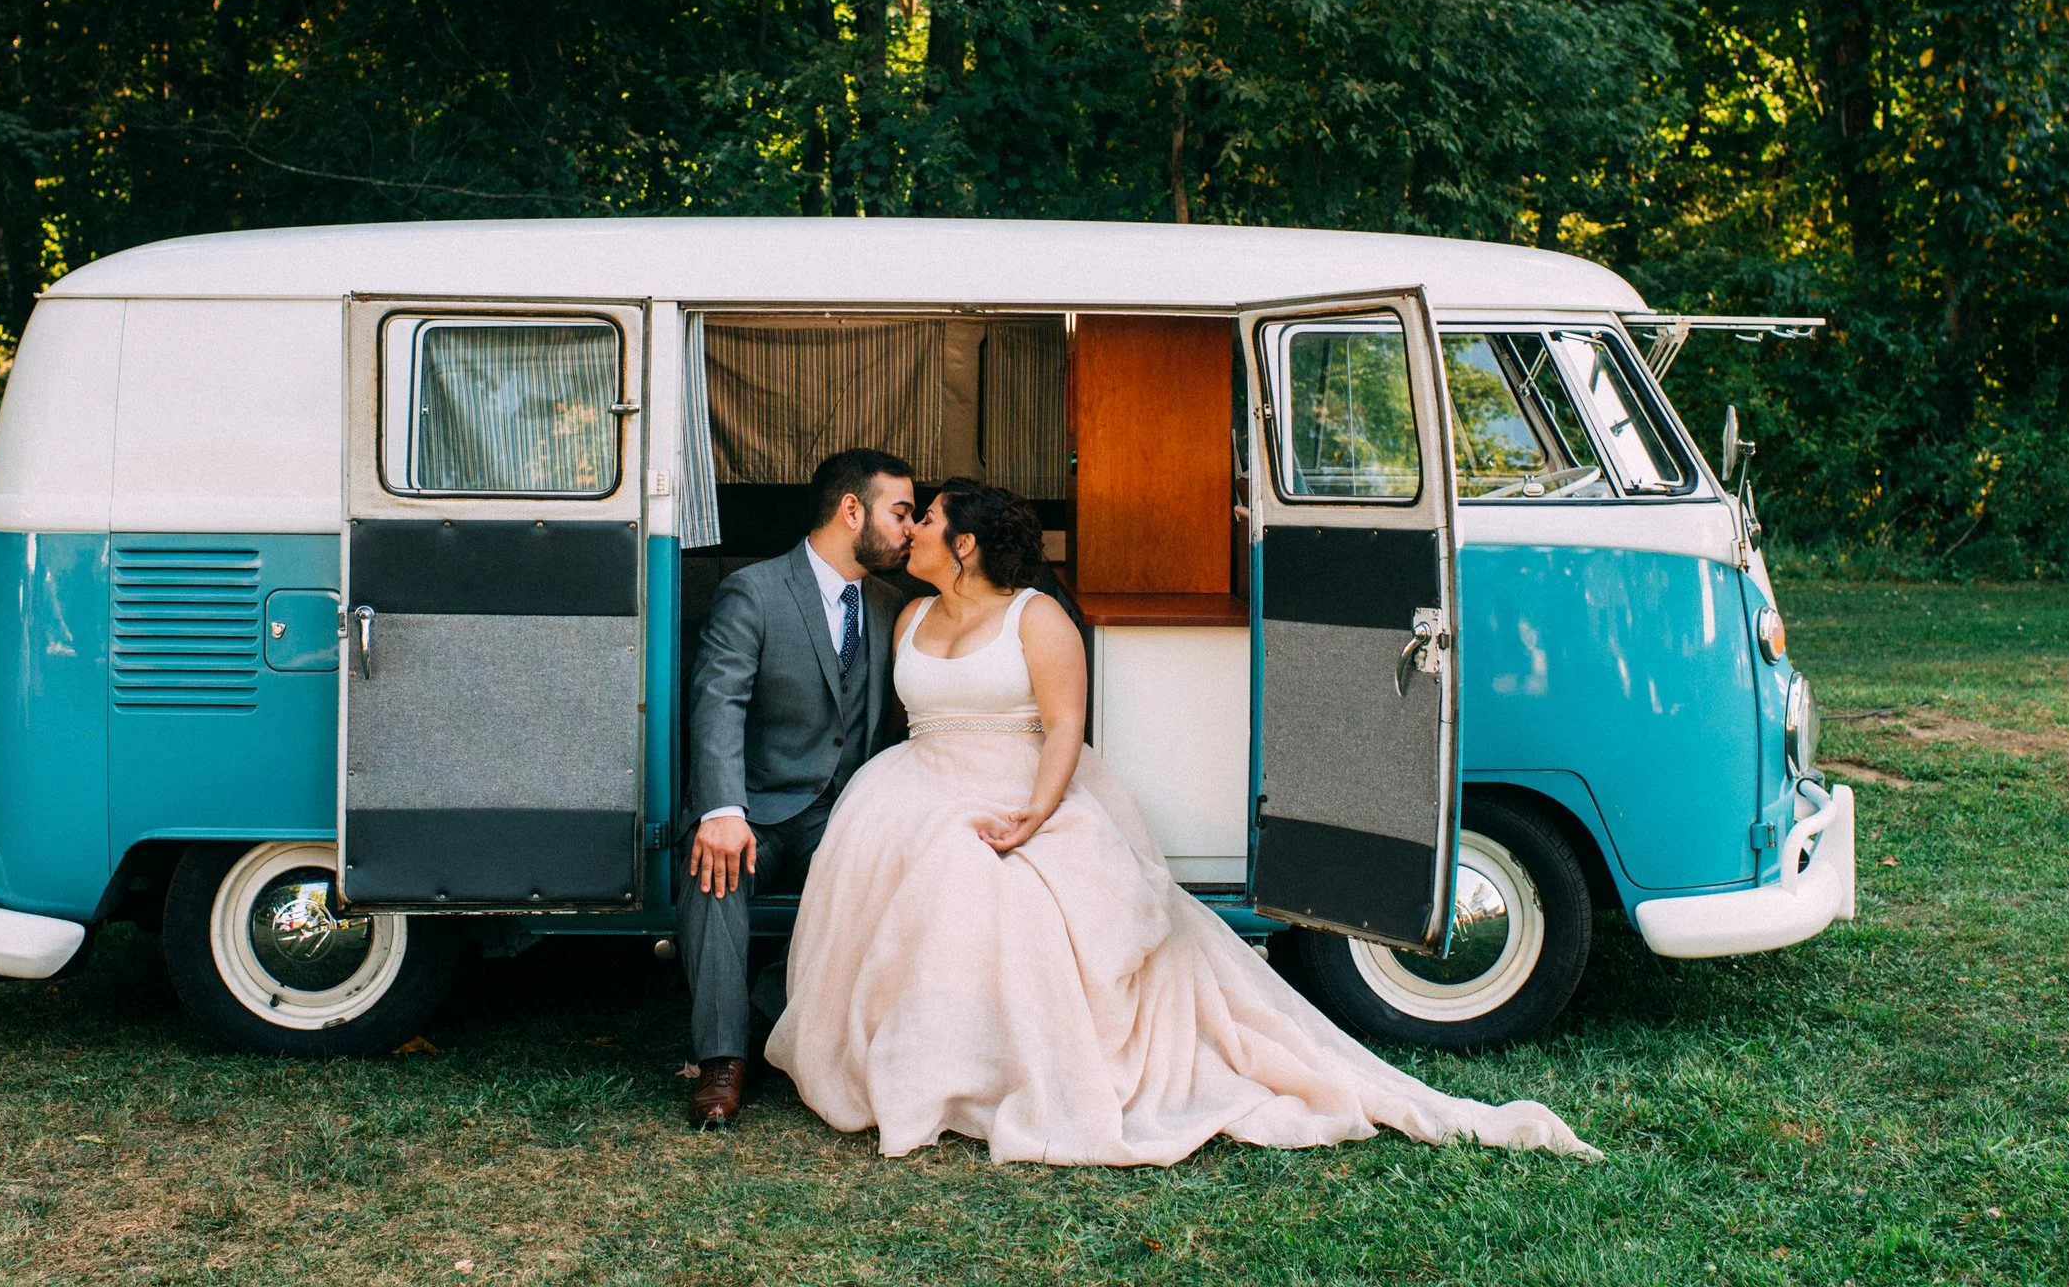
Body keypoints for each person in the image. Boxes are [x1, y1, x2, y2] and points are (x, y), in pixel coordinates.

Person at [764, 479, 1598, 1166]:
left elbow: (1062, 727)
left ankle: (1000, 1072)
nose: (912, 532)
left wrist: (1036, 817)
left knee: (991, 886)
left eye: (930, 520)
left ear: (967, 544)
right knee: (915, 874)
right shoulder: (909, 618)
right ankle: (929, 1064)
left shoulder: (1035, 618)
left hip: (1023, 786)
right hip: (915, 786)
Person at [677, 447, 916, 1129]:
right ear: (851, 510)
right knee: (713, 870)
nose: (907, 528)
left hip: (842, 816)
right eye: (899, 512)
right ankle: (723, 1062)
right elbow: (717, 701)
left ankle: (772, 1001)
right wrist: (723, 809)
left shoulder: (893, 604)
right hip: (756, 809)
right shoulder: (754, 591)